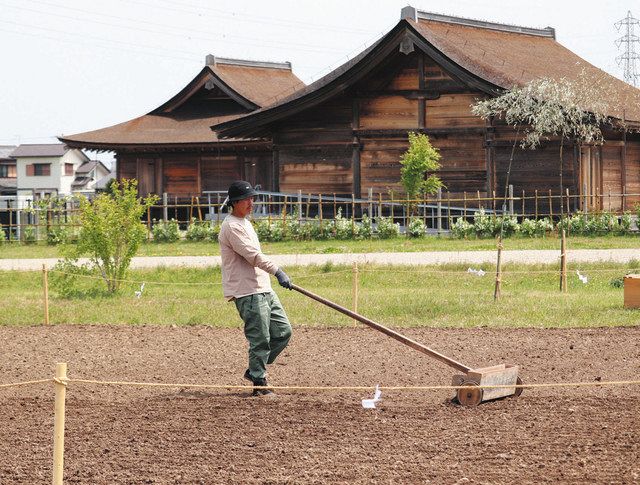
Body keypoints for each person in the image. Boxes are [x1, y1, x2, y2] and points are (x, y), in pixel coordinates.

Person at [218, 181, 293, 396]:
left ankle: (254, 368)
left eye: (253, 198)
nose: (252, 203)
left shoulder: (246, 223)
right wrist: (278, 271)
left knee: (283, 332)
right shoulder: (231, 226)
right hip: (247, 292)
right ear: (235, 202)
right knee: (260, 338)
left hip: (263, 287)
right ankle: (259, 383)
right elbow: (253, 256)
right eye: (247, 199)